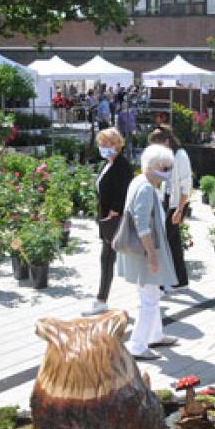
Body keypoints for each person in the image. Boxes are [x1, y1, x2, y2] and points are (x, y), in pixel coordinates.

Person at [117, 143, 180, 360]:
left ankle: (155, 335)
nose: (168, 171)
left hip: (142, 251)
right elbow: (141, 225)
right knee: (149, 298)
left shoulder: (142, 181)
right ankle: (136, 345)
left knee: (151, 294)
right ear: (152, 166)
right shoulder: (145, 188)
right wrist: (152, 255)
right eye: (165, 167)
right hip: (144, 252)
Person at [83, 128, 134, 317]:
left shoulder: (122, 165)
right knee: (109, 259)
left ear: (116, 145)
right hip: (106, 220)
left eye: (105, 144)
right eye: (100, 144)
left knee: (106, 259)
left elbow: (124, 191)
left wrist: (114, 211)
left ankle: (101, 301)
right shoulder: (107, 163)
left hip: (114, 221)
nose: (101, 148)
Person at [148, 125, 193, 288]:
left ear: (167, 142)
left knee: (164, 241)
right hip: (167, 201)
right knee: (173, 242)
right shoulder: (167, 156)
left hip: (176, 204)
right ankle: (181, 280)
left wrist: (179, 210)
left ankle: (163, 281)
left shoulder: (181, 156)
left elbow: (186, 186)